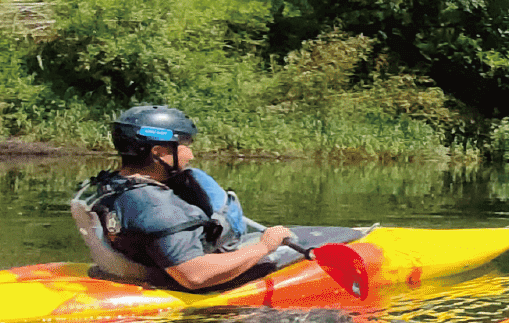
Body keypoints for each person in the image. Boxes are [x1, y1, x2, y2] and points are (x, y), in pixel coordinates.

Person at [72, 105, 351, 291]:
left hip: (132, 270)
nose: (190, 154)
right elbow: (195, 275)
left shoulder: (112, 185)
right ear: (159, 152)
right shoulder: (156, 205)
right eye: (184, 146)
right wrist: (263, 247)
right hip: (180, 289)